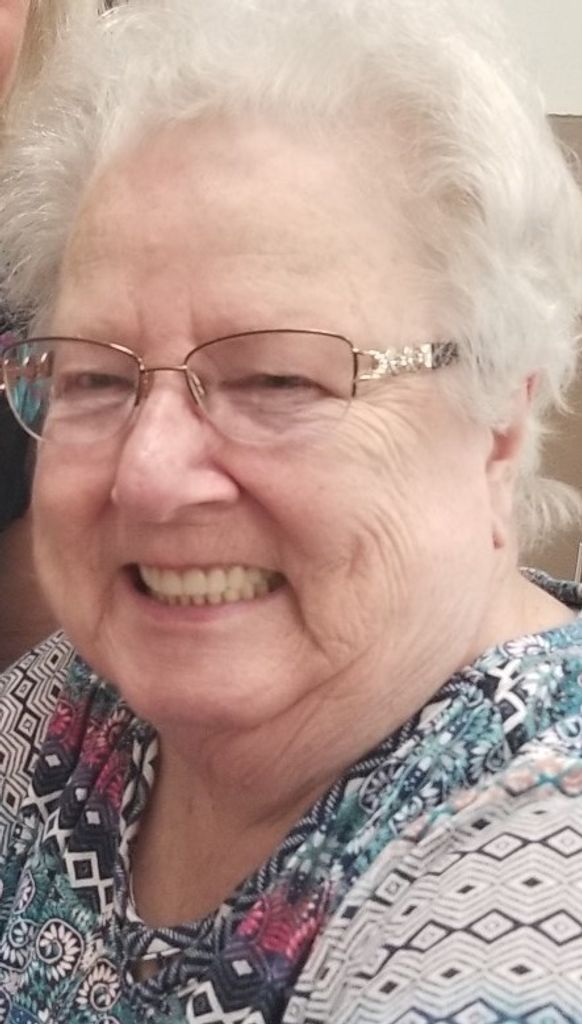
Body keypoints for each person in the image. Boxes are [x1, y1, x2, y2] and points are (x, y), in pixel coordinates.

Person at [0, 0, 581, 1021]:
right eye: (95, 376)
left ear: (497, 419)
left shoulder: (534, 901)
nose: (148, 475)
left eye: (277, 379)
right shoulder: (89, 697)